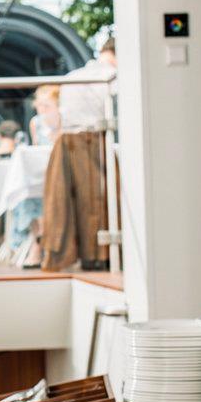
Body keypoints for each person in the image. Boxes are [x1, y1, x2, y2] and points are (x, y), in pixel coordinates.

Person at [43, 38, 117, 271]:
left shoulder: (72, 77)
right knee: (101, 199)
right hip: (95, 142)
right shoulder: (112, 77)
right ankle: (105, 256)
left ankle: (89, 255)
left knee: (81, 203)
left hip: (70, 144)